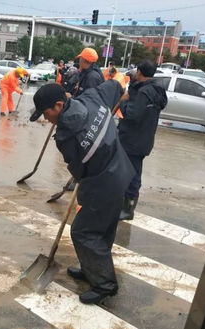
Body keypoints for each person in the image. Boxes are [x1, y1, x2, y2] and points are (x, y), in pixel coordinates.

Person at [30, 81, 135, 304]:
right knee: (103, 229)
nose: (45, 118)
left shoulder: (66, 138)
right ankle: (92, 268)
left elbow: (79, 171)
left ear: (59, 105)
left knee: (84, 232)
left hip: (102, 183)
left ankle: (105, 284)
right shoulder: (92, 97)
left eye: (46, 113)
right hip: (122, 172)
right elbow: (115, 86)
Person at [118, 60, 168, 220]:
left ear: (140, 72)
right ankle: (125, 203)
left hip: (133, 140)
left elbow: (132, 114)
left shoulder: (145, 92)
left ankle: (128, 209)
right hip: (142, 138)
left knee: (132, 173)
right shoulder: (155, 90)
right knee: (131, 171)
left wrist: (124, 101)